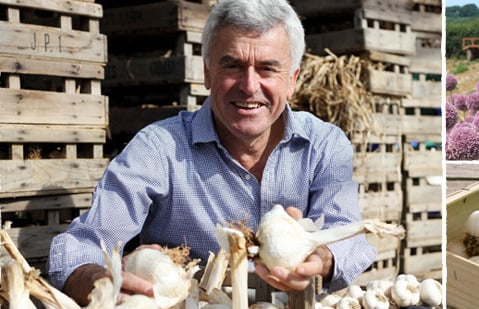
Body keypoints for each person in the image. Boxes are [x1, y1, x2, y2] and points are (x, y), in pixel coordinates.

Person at [48, 0, 376, 305]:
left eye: (267, 69)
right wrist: (102, 280)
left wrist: (323, 257)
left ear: (292, 80)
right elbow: (83, 245)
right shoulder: (158, 148)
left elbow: (348, 233)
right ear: (206, 73)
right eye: (232, 65)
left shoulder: (325, 145)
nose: (249, 86)